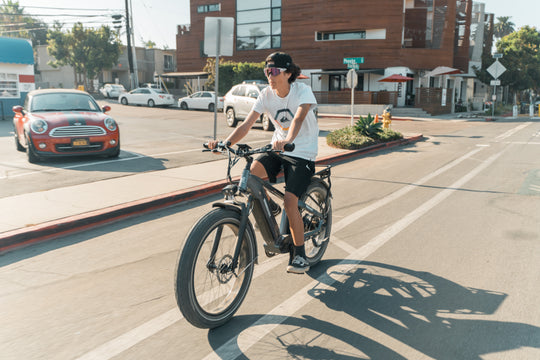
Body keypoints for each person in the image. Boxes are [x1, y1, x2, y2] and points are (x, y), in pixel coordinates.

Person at [208, 52, 319, 274]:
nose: (270, 75)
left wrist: (288, 139)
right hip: (277, 148)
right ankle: (271, 206)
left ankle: (299, 255)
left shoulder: (302, 91)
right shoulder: (265, 95)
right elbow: (247, 124)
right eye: (267, 71)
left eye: (275, 71)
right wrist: (225, 142)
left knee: (291, 202)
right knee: (250, 177)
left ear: (288, 73)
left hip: (302, 151)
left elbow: (298, 118)